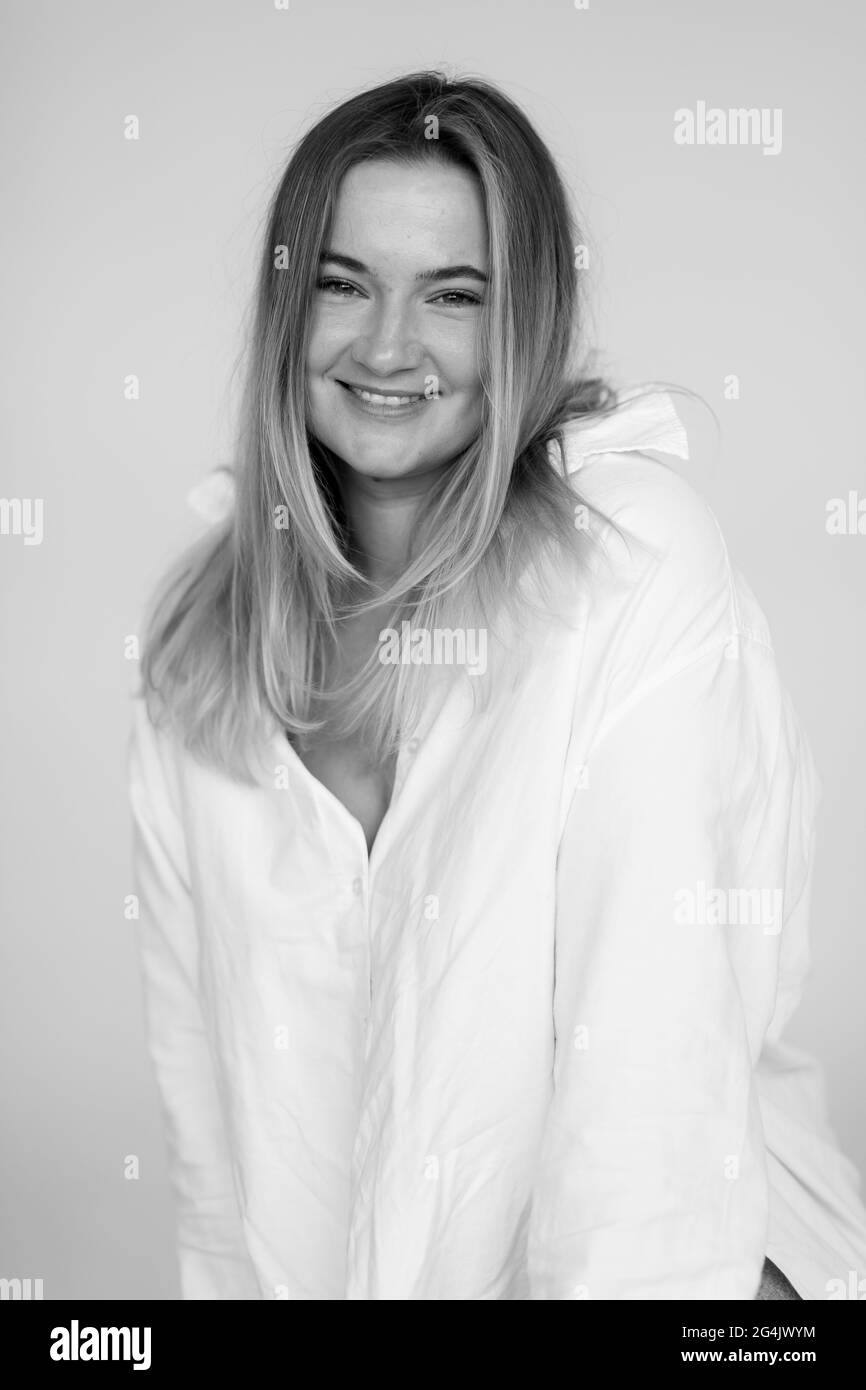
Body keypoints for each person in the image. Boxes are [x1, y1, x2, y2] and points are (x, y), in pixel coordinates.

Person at [128, 71, 866, 1300]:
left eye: (451, 296)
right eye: (341, 282)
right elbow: (215, 1149)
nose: (384, 346)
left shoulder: (627, 558)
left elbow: (649, 1102)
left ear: (521, 319)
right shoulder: (203, 644)